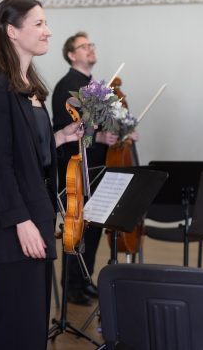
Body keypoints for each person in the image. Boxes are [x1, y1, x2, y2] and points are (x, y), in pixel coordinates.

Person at [0, 0, 83, 349]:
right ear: (12, 31)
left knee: (33, 318)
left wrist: (60, 137)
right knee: (13, 319)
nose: (48, 31)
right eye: (39, 24)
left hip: (37, 212)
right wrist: (21, 221)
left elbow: (27, 150)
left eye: (46, 23)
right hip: (16, 222)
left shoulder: (30, 86)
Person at [51, 32, 118, 305]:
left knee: (93, 229)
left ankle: (85, 279)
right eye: (83, 46)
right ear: (71, 55)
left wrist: (115, 132)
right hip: (76, 170)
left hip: (97, 167)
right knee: (77, 229)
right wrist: (98, 136)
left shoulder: (94, 87)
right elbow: (63, 128)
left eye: (91, 44)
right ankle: (71, 285)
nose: (90, 49)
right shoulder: (66, 86)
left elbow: (99, 124)